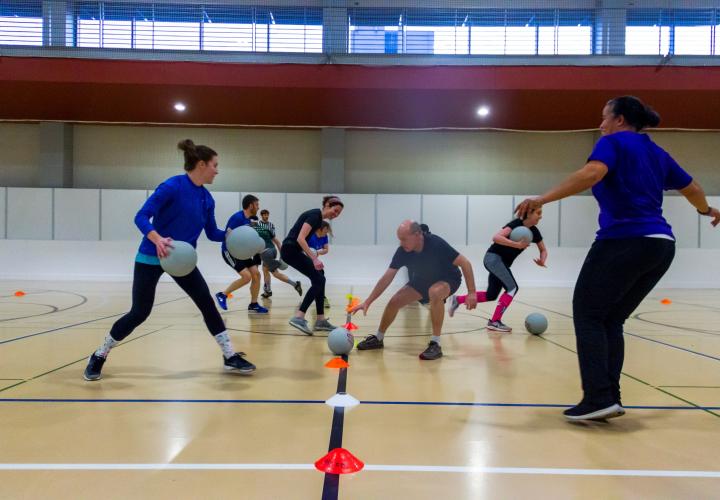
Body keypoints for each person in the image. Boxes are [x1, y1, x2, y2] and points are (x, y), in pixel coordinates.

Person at [515, 96, 720, 421]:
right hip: (661, 246)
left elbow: (592, 173)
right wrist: (707, 210)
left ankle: (598, 397)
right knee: (611, 319)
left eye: (604, 118)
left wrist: (543, 198)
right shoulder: (656, 152)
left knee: (588, 314)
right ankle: (609, 398)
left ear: (620, 119)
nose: (600, 125)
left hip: (624, 241)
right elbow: (692, 186)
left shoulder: (613, 143)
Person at [83, 139, 256, 381]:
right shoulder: (172, 187)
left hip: (182, 261)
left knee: (207, 304)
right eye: (215, 165)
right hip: (151, 256)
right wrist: (157, 239)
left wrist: (233, 235)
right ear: (201, 164)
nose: (217, 170)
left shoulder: (207, 199)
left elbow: (212, 233)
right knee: (140, 312)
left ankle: (229, 356)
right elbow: (141, 216)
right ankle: (100, 354)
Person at [351, 220, 477, 360]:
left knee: (434, 292)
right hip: (422, 280)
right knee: (395, 301)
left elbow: (465, 263)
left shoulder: (436, 244)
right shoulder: (403, 251)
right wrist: (368, 301)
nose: (401, 243)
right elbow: (387, 277)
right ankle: (378, 338)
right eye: (399, 239)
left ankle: (435, 343)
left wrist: (471, 292)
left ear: (417, 235)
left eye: (404, 239)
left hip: (448, 278)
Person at [448, 208, 547, 332]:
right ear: (529, 213)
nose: (540, 217)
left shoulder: (534, 232)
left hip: (501, 263)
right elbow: (496, 237)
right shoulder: (515, 224)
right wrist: (517, 245)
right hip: (493, 259)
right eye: (538, 213)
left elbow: (543, 250)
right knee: (512, 288)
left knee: (491, 295)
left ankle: (458, 300)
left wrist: (542, 260)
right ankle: (495, 321)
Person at [282, 196, 344, 334]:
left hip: (293, 250)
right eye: (335, 210)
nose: (336, 214)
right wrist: (314, 259)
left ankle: (321, 320)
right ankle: (299, 317)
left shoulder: (318, 220)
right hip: (290, 250)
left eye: (339, 213)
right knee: (319, 279)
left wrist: (313, 257)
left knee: (320, 277)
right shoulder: (315, 215)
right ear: (327, 205)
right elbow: (300, 238)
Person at [215, 195, 268, 314]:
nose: (258, 207)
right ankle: (222, 295)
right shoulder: (237, 218)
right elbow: (228, 236)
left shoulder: (253, 219)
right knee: (247, 276)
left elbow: (253, 237)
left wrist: (258, 250)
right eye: (257, 204)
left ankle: (253, 304)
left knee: (256, 274)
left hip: (243, 252)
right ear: (250, 205)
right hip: (230, 251)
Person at [253, 209, 303, 299]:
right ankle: (268, 290)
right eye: (264, 215)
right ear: (261, 216)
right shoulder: (258, 226)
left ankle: (295, 284)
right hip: (269, 251)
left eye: (267, 215)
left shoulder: (268, 226)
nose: (266, 216)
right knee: (265, 270)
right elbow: (276, 241)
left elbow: (276, 241)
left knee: (275, 273)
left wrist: (282, 255)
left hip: (267, 252)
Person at [307, 221, 332, 309]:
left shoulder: (324, 237)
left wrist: (317, 252)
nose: (327, 232)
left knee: (320, 277)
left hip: (313, 259)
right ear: (319, 229)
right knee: (319, 277)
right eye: (325, 229)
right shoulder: (310, 236)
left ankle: (318, 298)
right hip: (304, 258)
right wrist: (310, 252)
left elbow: (326, 249)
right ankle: (318, 298)